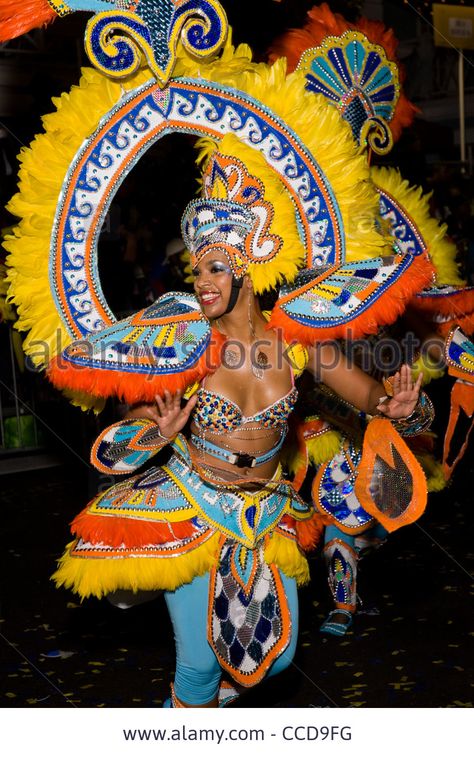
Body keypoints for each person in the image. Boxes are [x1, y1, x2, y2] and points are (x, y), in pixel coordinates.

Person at [50, 134, 429, 707]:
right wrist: (161, 431)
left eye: (215, 267)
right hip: (195, 507)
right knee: (199, 663)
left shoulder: (296, 341)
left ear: (247, 269)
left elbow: (368, 393)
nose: (201, 281)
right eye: (195, 268)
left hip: (267, 512)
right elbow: (111, 449)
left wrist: (391, 404)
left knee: (275, 661)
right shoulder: (186, 340)